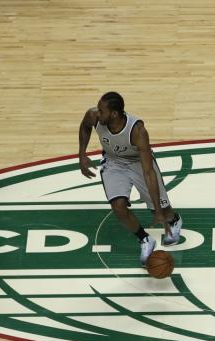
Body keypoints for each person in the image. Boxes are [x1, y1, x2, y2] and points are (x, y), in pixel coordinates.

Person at [78, 91, 182, 264]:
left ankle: (174, 219)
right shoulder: (93, 116)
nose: (97, 112)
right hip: (113, 162)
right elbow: (84, 126)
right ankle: (145, 239)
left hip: (139, 163)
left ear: (114, 114)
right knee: (118, 206)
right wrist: (81, 154)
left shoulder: (137, 131)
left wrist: (157, 209)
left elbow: (149, 172)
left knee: (163, 211)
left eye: (101, 110)